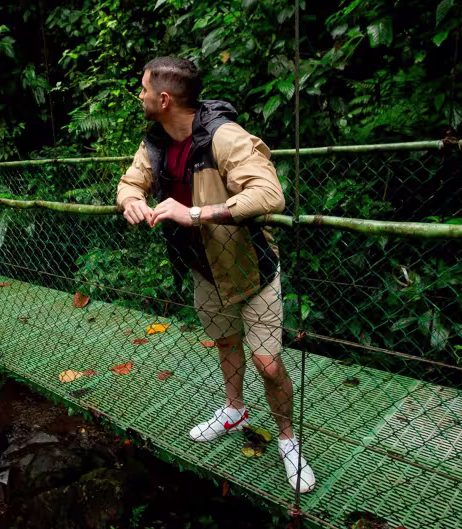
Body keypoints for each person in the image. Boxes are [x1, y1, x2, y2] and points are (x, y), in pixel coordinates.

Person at [116, 56, 315, 494]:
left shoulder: (225, 137)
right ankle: (234, 409)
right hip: (203, 270)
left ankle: (287, 438)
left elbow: (269, 193)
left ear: (163, 99)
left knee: (268, 362)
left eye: (144, 89)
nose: (141, 95)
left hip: (250, 269)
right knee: (225, 342)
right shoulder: (155, 143)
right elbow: (131, 181)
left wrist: (194, 213)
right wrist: (130, 199)